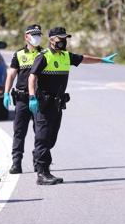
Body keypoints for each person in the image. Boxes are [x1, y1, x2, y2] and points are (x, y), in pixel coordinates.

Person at [28, 27, 117, 185]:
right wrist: (31, 96)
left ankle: (40, 159)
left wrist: (102, 60)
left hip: (57, 104)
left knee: (50, 140)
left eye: (65, 38)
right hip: (44, 104)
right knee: (43, 138)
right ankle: (42, 173)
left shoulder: (66, 56)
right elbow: (32, 76)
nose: (63, 41)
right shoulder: (44, 57)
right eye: (60, 38)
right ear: (51, 40)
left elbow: (84, 59)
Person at [3, 24, 43, 174]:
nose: (36, 37)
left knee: (40, 132)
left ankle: (38, 162)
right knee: (19, 131)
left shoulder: (45, 53)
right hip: (21, 98)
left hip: (39, 99)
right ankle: (16, 162)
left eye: (39, 34)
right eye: (34, 34)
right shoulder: (19, 54)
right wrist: (6, 93)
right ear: (26, 37)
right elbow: (11, 75)